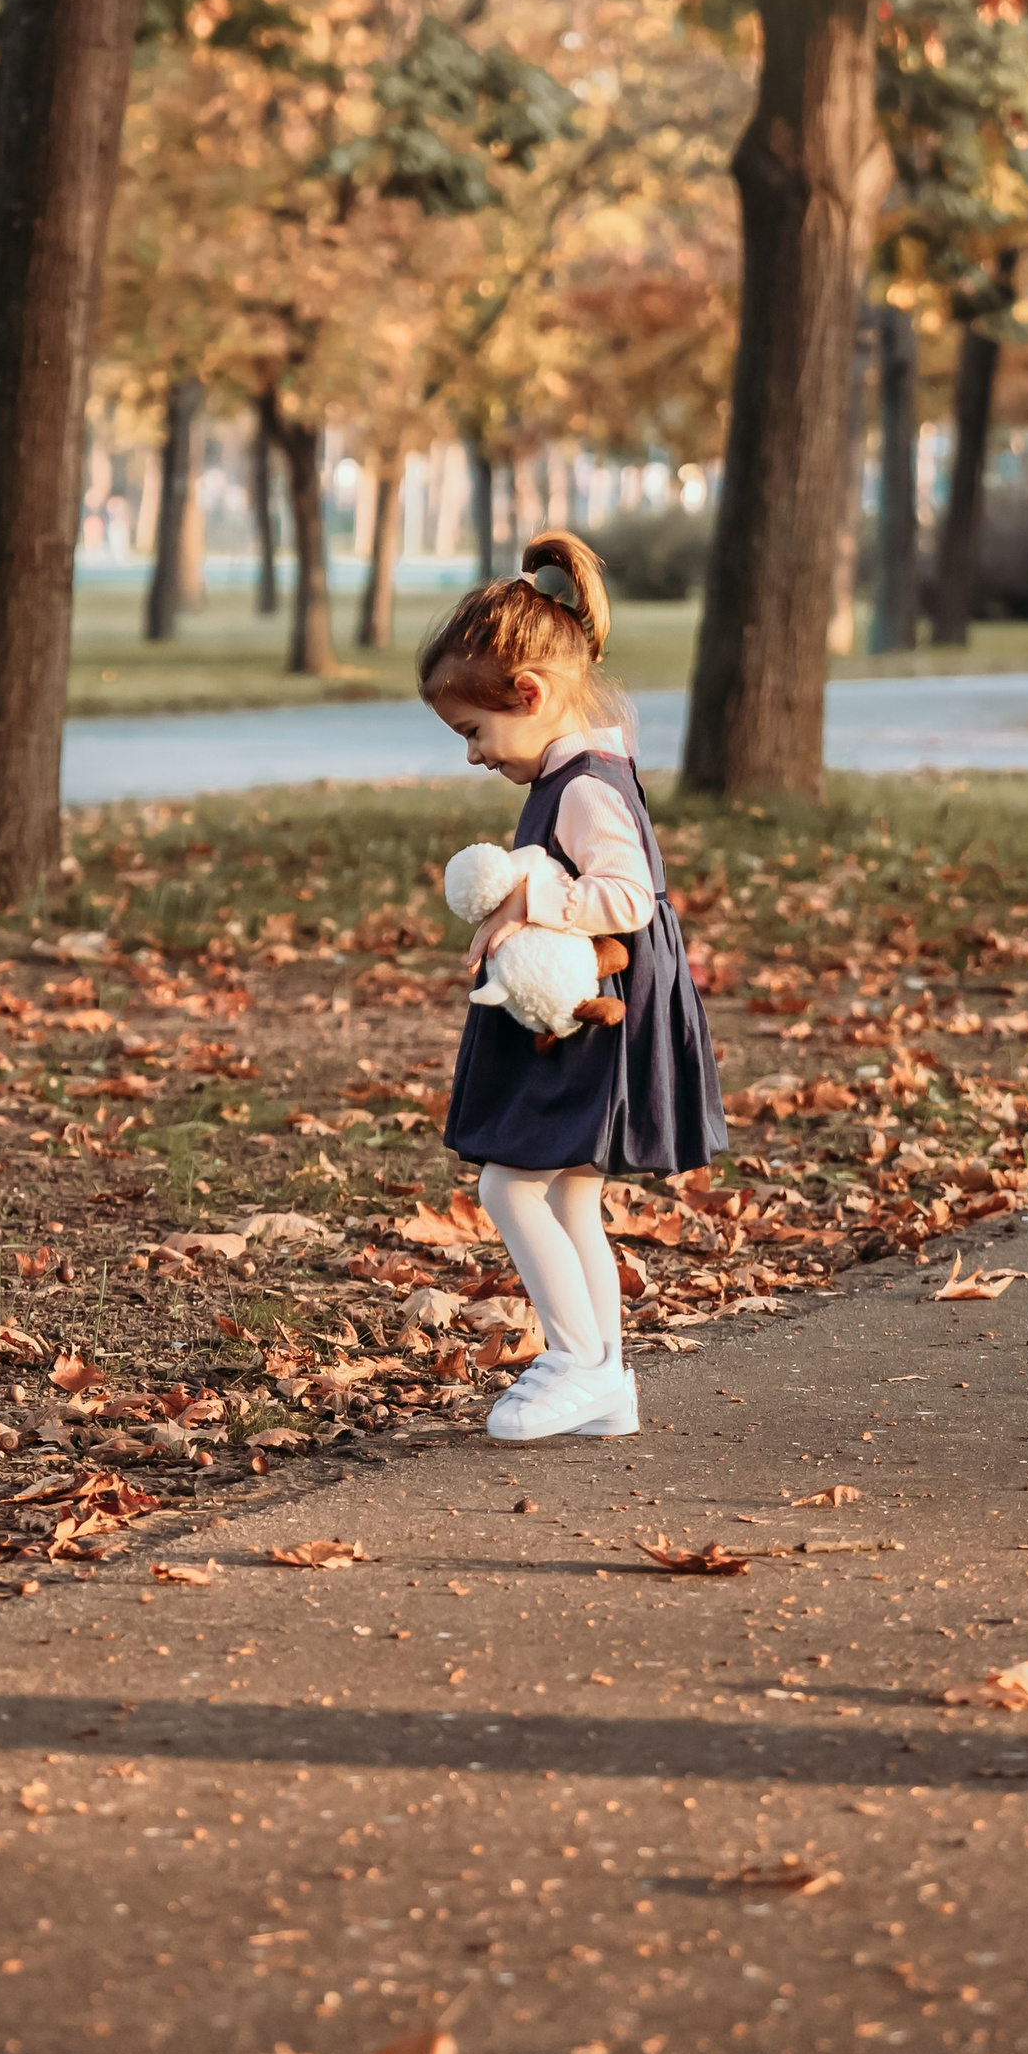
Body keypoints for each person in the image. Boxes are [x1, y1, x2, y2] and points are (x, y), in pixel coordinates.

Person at [421, 528, 725, 1444]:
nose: (473, 754)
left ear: (529, 694)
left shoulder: (586, 784)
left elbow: (630, 896)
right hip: (583, 1008)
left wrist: (532, 886)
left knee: (510, 1187)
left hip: (597, 1013)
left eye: (475, 731)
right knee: (566, 1195)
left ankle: (575, 1360)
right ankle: (607, 1379)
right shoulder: (580, 765)